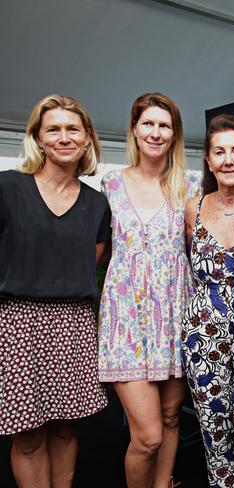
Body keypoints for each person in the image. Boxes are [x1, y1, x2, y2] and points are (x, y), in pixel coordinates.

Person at [0, 95, 110, 487]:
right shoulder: (8, 187)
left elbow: (91, 259)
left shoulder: (97, 205)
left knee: (66, 429)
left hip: (74, 323)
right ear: (38, 138)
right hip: (18, 323)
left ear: (86, 139)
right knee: (27, 435)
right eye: (54, 129)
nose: (64, 137)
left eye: (73, 129)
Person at [98, 93, 200, 488]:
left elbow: (200, 249)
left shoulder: (190, 186)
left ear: (174, 135)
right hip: (126, 324)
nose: (156, 133)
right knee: (148, 435)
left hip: (175, 317)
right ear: (135, 130)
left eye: (165, 126)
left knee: (172, 417)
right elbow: (95, 252)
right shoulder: (109, 184)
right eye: (149, 124)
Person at [182, 114, 234, 488]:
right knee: (214, 432)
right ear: (208, 159)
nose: (228, 159)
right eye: (220, 152)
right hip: (202, 340)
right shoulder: (193, 208)